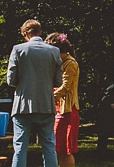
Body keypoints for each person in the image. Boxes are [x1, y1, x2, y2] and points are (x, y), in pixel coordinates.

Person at [7, 19, 64, 167]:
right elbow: (58, 82)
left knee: (20, 147)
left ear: (26, 34)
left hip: (23, 106)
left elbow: (11, 80)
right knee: (49, 147)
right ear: (40, 32)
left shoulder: (18, 49)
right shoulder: (54, 51)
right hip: (46, 105)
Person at [46, 33, 79, 167]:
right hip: (59, 109)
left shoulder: (70, 64)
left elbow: (65, 87)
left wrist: (48, 98)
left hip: (67, 110)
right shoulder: (61, 63)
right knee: (58, 149)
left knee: (65, 149)